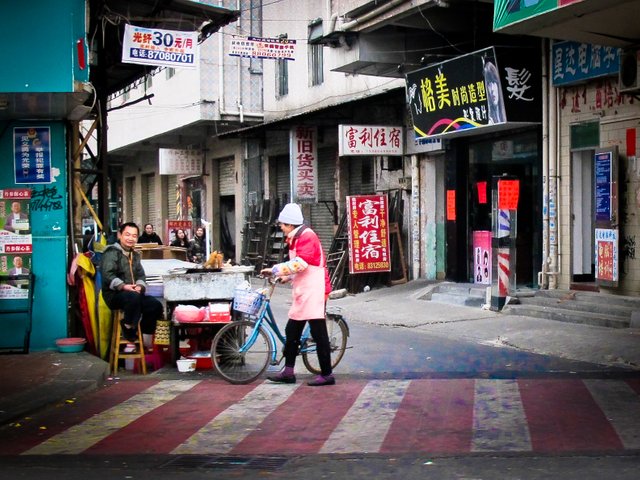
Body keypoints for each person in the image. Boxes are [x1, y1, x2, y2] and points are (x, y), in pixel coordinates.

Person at [260, 203, 334, 387]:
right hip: (304, 290)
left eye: (283, 225)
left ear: (291, 225)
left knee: (319, 333)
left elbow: (301, 263)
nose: (282, 228)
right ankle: (288, 372)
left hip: (315, 290)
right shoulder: (296, 237)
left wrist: (276, 270)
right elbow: (298, 265)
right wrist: (287, 277)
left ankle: (327, 374)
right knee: (291, 331)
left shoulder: (307, 237)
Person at [100, 222, 163, 342]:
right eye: (127, 235)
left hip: (134, 294)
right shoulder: (111, 252)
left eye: (134, 236)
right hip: (115, 295)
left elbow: (141, 274)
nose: (130, 238)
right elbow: (107, 274)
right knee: (133, 297)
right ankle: (128, 327)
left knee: (155, 305)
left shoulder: (135, 255)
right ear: (119, 235)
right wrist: (123, 286)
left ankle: (145, 337)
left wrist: (140, 286)